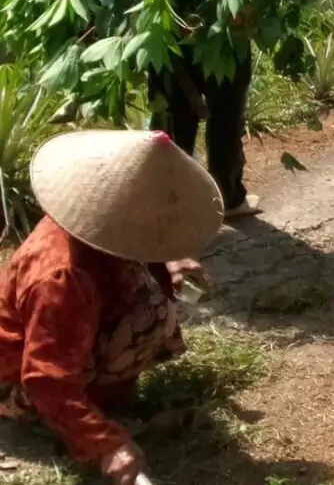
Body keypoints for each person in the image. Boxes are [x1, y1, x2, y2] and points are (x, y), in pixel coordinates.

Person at [0, 129, 223, 485]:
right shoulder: (62, 277)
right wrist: (107, 445)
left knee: (150, 303)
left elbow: (128, 249)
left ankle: (94, 399)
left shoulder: (86, 225)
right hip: (17, 385)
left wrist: (165, 263)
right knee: (148, 315)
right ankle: (65, 417)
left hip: (54, 348)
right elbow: (45, 379)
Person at [148, 34, 256, 220]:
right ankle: (226, 196)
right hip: (223, 30)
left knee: (173, 113)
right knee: (226, 110)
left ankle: (168, 201)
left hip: (168, 26)